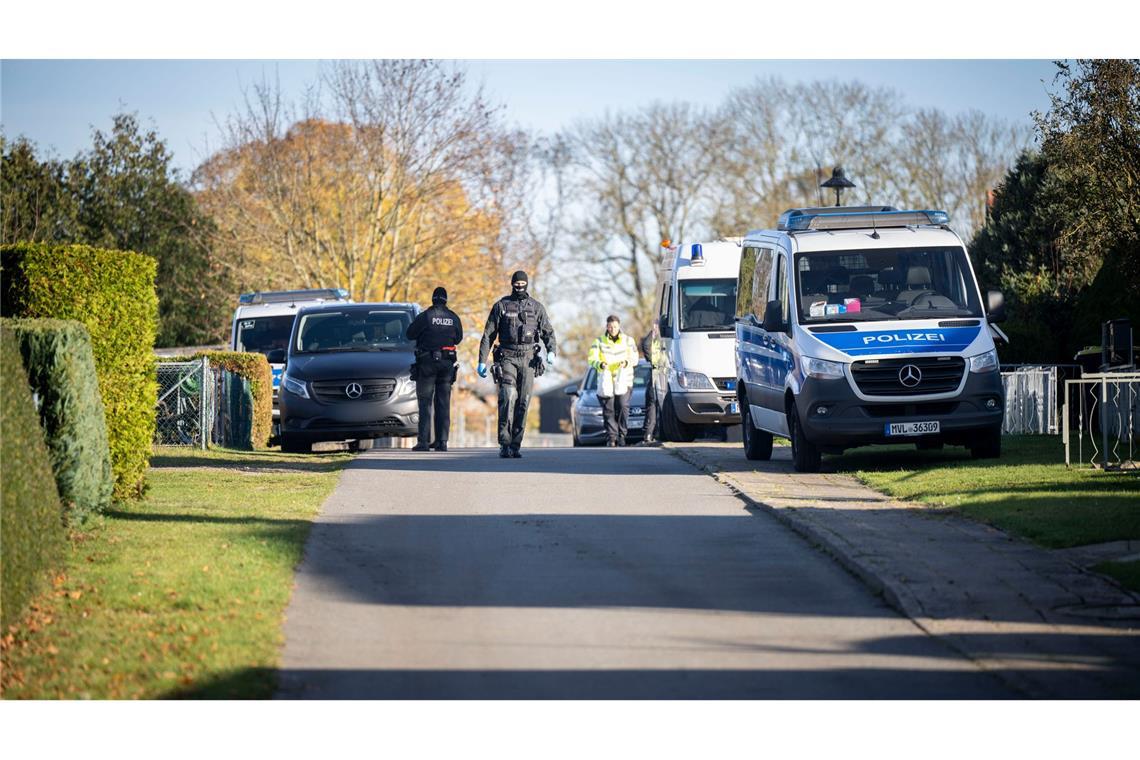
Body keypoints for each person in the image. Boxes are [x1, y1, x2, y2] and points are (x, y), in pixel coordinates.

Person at [477, 270, 556, 458]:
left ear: (527, 284)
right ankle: (504, 443)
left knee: (523, 401)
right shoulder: (501, 306)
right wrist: (482, 360)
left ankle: (515, 444)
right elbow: (488, 335)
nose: (519, 286)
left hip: (528, 358)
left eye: (522, 283)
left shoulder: (536, 308)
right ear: (512, 284)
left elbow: (548, 332)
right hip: (507, 357)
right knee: (507, 396)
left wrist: (551, 351)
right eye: (516, 283)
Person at [406, 286, 463, 452]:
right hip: (446, 365)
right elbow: (458, 338)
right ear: (446, 300)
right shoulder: (453, 317)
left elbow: (410, 334)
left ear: (433, 299)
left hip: (427, 364)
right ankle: (442, 442)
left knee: (425, 403)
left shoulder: (425, 316)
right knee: (443, 403)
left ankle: (423, 442)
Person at [588, 315, 639, 447]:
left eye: (615, 327)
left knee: (622, 407)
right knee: (608, 410)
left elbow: (635, 358)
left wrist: (626, 362)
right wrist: (600, 364)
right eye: (610, 327)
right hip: (606, 382)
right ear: (607, 327)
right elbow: (591, 359)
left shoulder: (628, 341)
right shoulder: (598, 342)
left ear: (619, 326)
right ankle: (611, 438)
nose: (612, 329)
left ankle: (622, 435)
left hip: (624, 380)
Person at [639, 320, 664, 445]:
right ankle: (649, 434)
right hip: (657, 374)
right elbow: (646, 345)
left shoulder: (665, 339)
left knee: (654, 406)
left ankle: (651, 434)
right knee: (653, 405)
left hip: (661, 374)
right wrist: (653, 333)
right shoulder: (657, 338)